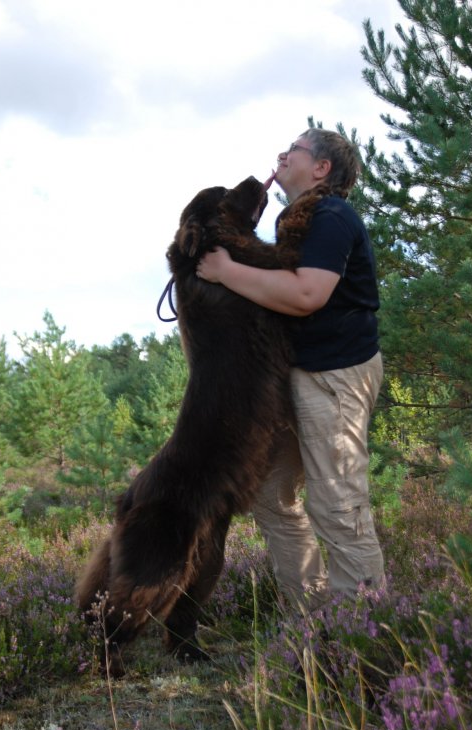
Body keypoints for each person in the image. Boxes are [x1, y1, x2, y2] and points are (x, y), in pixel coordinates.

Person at [196, 128, 385, 610]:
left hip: (335, 378)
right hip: (297, 380)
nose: (282, 154)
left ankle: (362, 635)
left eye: (294, 149)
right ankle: (311, 614)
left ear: (321, 168)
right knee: (267, 492)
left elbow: (306, 295)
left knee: (338, 502)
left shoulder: (330, 216)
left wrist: (224, 272)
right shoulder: (294, 219)